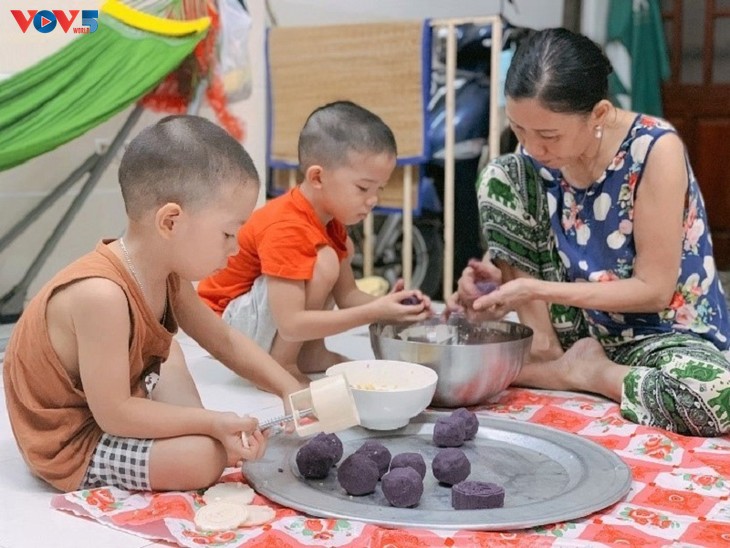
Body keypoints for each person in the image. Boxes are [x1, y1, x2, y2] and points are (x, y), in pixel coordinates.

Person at [450, 28, 730, 437]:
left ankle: (585, 373)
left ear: (598, 114)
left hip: (657, 332)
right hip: (574, 324)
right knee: (500, 173)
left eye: (548, 135)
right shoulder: (529, 159)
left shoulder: (654, 149)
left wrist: (536, 291)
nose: (531, 147)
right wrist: (498, 281)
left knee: (716, 394)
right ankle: (544, 350)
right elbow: (553, 252)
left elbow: (653, 290)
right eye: (520, 130)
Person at [3, 116, 306, 493]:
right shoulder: (102, 295)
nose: (236, 248)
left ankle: (197, 434)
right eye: (228, 233)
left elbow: (222, 340)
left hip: (114, 402)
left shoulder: (168, 274)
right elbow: (114, 413)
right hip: (74, 439)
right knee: (204, 457)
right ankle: (198, 440)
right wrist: (211, 423)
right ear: (171, 221)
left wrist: (289, 389)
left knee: (172, 353)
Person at [197, 101, 432, 382]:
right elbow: (291, 324)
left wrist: (392, 308)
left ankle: (310, 353)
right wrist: (374, 311)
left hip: (261, 324)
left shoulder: (331, 224)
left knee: (331, 255)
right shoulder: (287, 227)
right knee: (324, 260)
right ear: (317, 177)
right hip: (224, 329)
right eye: (362, 188)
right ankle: (281, 365)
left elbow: (348, 298)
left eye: (378, 189)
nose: (373, 200)